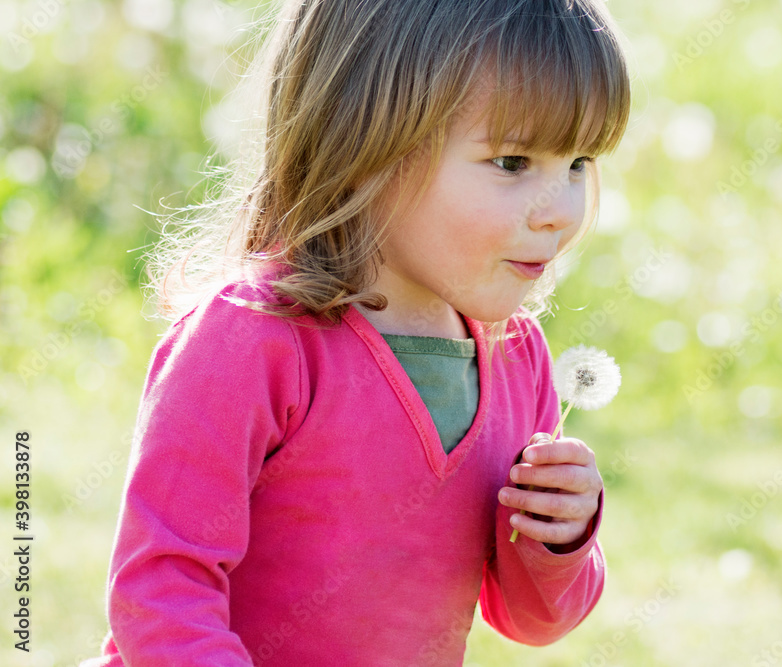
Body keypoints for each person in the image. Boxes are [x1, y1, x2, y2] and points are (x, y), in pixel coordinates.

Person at [81, 0, 631, 663]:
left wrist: (559, 537)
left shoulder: (516, 358)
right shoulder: (254, 338)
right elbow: (160, 586)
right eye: (513, 163)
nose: (562, 211)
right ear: (368, 142)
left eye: (578, 163)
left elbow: (530, 618)